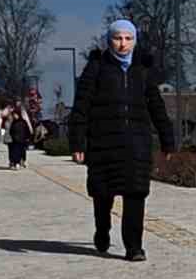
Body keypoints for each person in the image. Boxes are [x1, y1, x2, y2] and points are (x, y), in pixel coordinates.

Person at [69, 19, 176, 261]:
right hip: (103, 143)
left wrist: (167, 140)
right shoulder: (96, 67)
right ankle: (102, 230)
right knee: (102, 194)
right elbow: (81, 107)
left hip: (136, 144)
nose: (122, 44)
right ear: (109, 41)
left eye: (128, 38)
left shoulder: (143, 70)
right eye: (118, 38)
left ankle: (134, 246)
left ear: (134, 41)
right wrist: (77, 143)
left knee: (136, 193)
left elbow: (156, 106)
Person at [7, 102, 33, 170]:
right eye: (14, 115)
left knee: (21, 151)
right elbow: (11, 130)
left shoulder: (23, 122)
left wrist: (27, 137)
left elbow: (27, 130)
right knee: (15, 152)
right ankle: (16, 163)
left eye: (15, 115)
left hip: (22, 139)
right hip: (15, 139)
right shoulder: (13, 122)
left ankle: (22, 161)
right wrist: (13, 136)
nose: (15, 116)